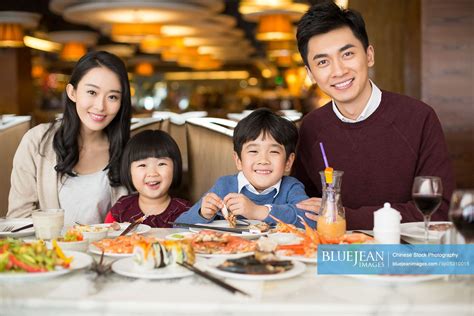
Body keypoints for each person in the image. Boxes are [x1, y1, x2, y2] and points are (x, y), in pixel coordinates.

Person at [293, 2, 455, 230]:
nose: (338, 71)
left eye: (347, 54)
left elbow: (438, 210)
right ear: (310, 74)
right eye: (323, 62)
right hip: (336, 257)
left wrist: (346, 216)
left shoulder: (418, 118)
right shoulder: (311, 128)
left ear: (369, 55)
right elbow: (303, 206)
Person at [8, 51, 132, 226]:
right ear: (72, 92)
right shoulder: (36, 142)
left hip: (109, 251)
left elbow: (137, 219)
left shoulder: (127, 149)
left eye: (112, 97)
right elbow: (18, 218)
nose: (100, 106)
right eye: (91, 92)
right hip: (48, 251)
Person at [176, 108, 312, 228]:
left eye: (274, 152)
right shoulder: (225, 186)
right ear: (238, 160)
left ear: (288, 161)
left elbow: (311, 220)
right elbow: (178, 226)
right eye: (253, 151)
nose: (263, 160)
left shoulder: (291, 187)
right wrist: (202, 213)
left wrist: (257, 211)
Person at [104, 130, 191, 228]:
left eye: (161, 164)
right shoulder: (121, 208)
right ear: (129, 171)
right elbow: (105, 235)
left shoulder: (186, 212)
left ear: (175, 168)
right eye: (142, 165)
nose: (152, 173)